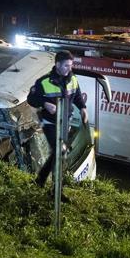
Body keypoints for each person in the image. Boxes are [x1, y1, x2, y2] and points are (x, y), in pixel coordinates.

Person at [27, 50, 88, 189]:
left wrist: (83, 108)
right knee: (60, 152)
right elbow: (31, 99)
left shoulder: (73, 79)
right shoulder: (43, 82)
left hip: (65, 123)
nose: (69, 68)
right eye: (66, 65)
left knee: (58, 153)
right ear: (57, 64)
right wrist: (44, 103)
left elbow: (77, 96)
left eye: (71, 65)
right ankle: (56, 191)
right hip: (50, 123)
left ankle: (41, 181)